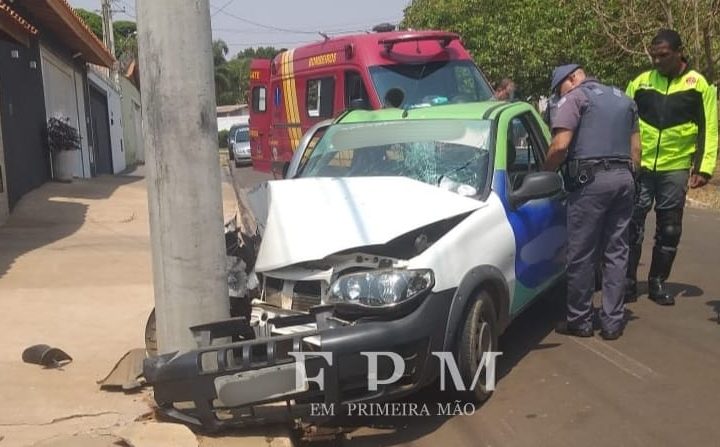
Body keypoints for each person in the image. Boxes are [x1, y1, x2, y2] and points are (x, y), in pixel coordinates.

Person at [544, 64, 640, 340]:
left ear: (573, 77)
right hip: (624, 180)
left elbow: (560, 145)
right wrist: (630, 179)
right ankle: (612, 322)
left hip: (590, 184)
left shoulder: (576, 98)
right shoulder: (624, 99)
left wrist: (544, 172)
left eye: (559, 87)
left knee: (582, 253)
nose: (559, 94)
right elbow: (636, 151)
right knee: (616, 252)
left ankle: (580, 320)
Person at [625, 29, 718, 306]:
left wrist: (703, 168)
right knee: (632, 226)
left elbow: (709, 129)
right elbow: (623, 119)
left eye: (663, 56)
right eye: (653, 56)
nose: (656, 61)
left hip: (675, 168)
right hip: (640, 167)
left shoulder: (698, 85)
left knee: (669, 229)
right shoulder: (641, 82)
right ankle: (628, 282)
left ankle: (656, 282)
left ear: (679, 52)